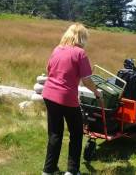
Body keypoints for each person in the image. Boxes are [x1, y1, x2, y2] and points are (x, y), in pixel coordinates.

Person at [41, 23, 101, 175]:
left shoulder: (57, 49)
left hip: (49, 94)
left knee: (55, 134)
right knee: (76, 133)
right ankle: (72, 171)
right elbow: (87, 81)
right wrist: (96, 92)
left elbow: (49, 70)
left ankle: (48, 170)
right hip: (66, 97)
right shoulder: (80, 53)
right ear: (82, 38)